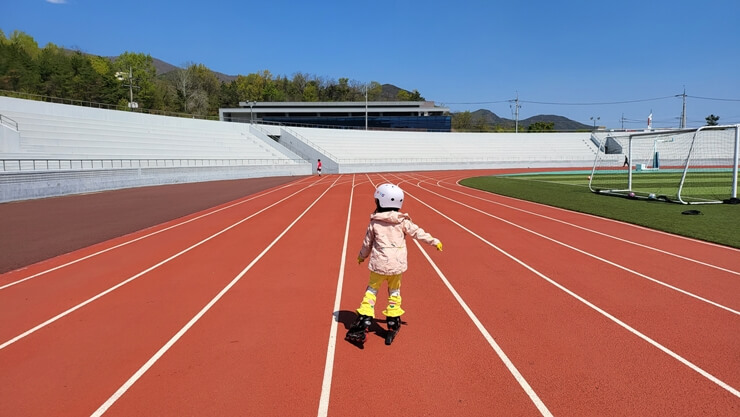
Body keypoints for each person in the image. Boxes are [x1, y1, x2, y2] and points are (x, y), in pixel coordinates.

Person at [345, 183, 443, 345]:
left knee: (372, 291)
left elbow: (367, 244)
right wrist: (434, 241)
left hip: (378, 265)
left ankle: (365, 317)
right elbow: (418, 233)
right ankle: (392, 320)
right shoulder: (402, 222)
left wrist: (361, 256)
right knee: (394, 291)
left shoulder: (374, 223)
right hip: (396, 267)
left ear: (380, 203)